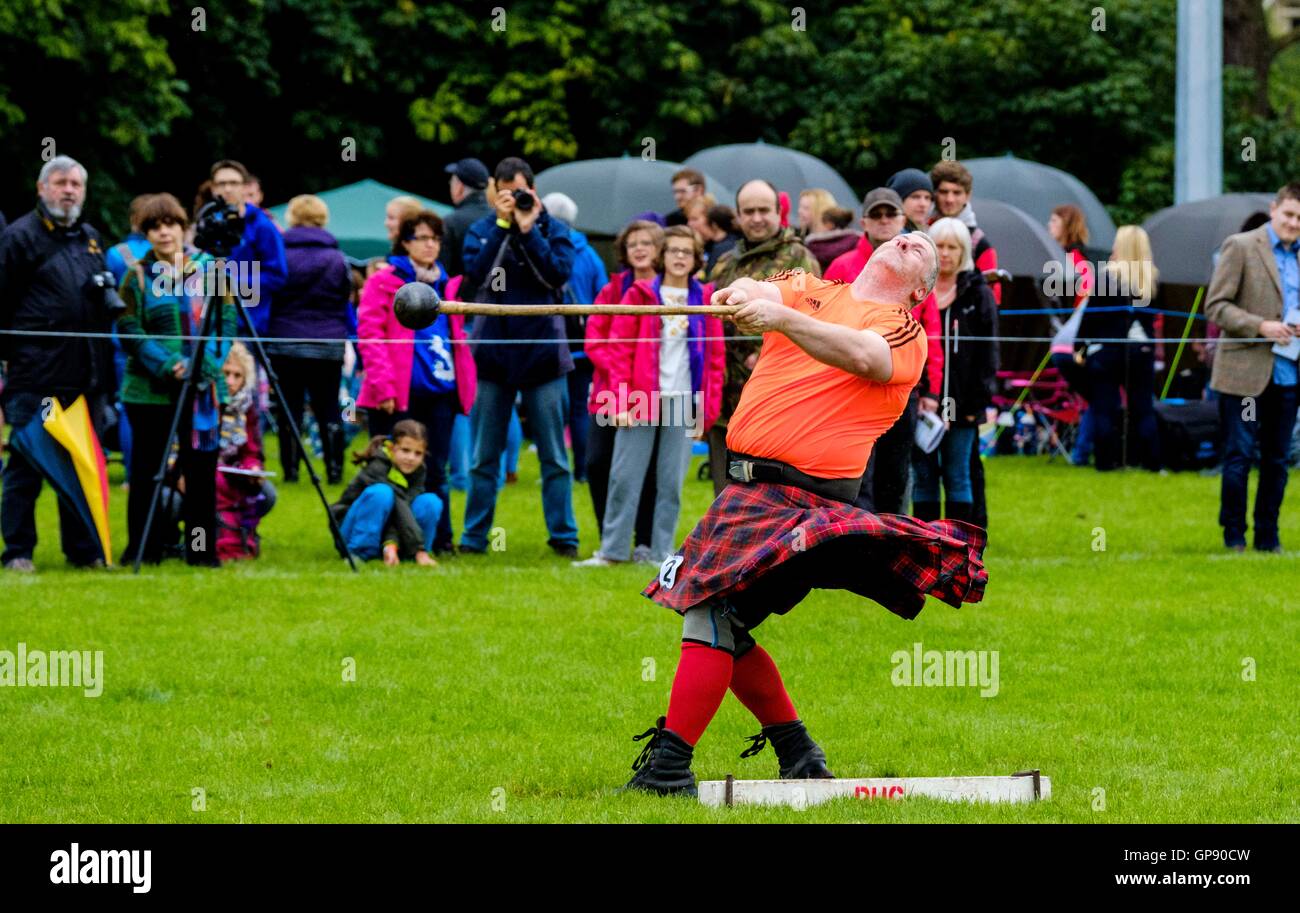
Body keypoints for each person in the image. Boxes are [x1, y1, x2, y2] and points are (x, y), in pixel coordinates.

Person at [622, 232, 987, 795]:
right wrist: (741, 297)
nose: (911, 238)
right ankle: (798, 754)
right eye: (904, 235)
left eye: (923, 248)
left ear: (919, 292)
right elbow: (748, 286)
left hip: (804, 503)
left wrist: (779, 319)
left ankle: (670, 769)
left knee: (712, 616)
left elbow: (863, 354)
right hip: (748, 492)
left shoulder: (904, 332)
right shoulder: (808, 287)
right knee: (726, 627)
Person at [574, 226, 724, 567]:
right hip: (640, 399)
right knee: (624, 476)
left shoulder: (705, 299)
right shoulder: (639, 295)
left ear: (697, 258)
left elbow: (716, 362)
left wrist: (707, 412)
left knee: (670, 482)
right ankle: (611, 550)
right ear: (662, 256)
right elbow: (619, 353)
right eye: (674, 251)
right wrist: (620, 401)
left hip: (684, 402)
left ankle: (660, 553)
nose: (680, 257)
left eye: (688, 251)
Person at [0, 155, 117, 572]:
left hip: (86, 375)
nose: (69, 190)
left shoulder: (90, 238)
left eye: (76, 184)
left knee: (79, 460)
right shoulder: (18, 237)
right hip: (36, 373)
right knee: (27, 465)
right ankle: (18, 551)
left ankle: (83, 550)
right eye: (61, 182)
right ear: (42, 188)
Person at [459, 156, 579, 557]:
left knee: (555, 459)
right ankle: (474, 539)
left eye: (522, 191)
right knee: (482, 458)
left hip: (544, 358)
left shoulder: (554, 230)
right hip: (493, 356)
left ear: (534, 191)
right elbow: (474, 276)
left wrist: (529, 231)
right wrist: (503, 227)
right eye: (506, 192)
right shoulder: (481, 230)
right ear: (494, 191)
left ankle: (564, 539)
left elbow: (557, 275)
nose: (515, 198)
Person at [116, 193, 236, 567]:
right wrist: (168, 364)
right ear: (145, 233)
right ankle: (144, 548)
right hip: (150, 391)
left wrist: (207, 364)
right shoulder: (135, 274)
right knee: (147, 472)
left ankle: (201, 551)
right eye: (154, 226)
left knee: (201, 473)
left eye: (170, 224)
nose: (164, 232)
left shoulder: (213, 269)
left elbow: (226, 324)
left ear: (184, 228)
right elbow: (128, 328)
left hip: (202, 390)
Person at [356, 211, 476, 554]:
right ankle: (382, 540)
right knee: (389, 469)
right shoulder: (384, 281)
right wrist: (382, 387)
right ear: (405, 242)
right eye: (422, 237)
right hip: (396, 393)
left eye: (436, 239)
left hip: (441, 392)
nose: (430, 245)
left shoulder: (448, 284)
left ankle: (440, 540)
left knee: (437, 470)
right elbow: (369, 334)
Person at [829, 188, 942, 515]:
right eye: (876, 215)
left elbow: (931, 331)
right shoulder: (843, 264)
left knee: (895, 472)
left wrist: (932, 388)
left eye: (889, 215)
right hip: (852, 382)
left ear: (902, 219)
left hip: (901, 385)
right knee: (856, 469)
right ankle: (858, 540)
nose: (883, 221)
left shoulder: (919, 267)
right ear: (863, 220)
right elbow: (828, 317)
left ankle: (892, 546)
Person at [707, 179, 821, 496]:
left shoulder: (801, 259)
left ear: (778, 212)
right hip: (725, 401)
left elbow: (816, 322)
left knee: (769, 498)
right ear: (739, 216)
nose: (756, 218)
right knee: (724, 494)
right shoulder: (724, 264)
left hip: (776, 403)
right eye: (749, 211)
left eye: (764, 210)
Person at [1205, 182, 1300, 553]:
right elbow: (1217, 306)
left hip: (1289, 374)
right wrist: (1260, 325)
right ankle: (1234, 537)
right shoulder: (1241, 246)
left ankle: (1267, 536)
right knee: (1240, 455)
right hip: (1244, 372)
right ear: (1274, 209)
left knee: (1277, 459)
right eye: (1289, 214)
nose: (1294, 223)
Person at [910, 219, 999, 523]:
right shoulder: (917, 290)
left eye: (953, 247)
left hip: (964, 401)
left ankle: (958, 549)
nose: (945, 253)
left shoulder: (978, 293)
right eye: (940, 246)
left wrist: (981, 401)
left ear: (964, 252)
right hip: (922, 400)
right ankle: (926, 544)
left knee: (958, 474)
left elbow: (989, 354)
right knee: (923, 476)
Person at [584, 220, 663, 558]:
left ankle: (644, 541)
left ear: (659, 248)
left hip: (655, 393)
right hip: (609, 391)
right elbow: (594, 339)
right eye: (633, 244)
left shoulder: (670, 289)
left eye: (646, 242)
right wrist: (623, 368)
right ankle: (610, 536)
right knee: (598, 463)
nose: (640, 249)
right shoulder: (612, 290)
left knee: (648, 469)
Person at [267, 194, 353, 484]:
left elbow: (271, 294)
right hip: (328, 345)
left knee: (289, 410)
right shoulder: (338, 258)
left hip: (284, 342)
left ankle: (291, 472)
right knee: (328, 407)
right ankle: (334, 470)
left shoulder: (279, 254)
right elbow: (345, 297)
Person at [1075, 226, 1160, 473]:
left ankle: (1106, 463)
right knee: (1143, 408)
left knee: (1105, 408)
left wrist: (1078, 346)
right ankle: (1151, 462)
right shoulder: (1150, 280)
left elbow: (1089, 318)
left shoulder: (1105, 277)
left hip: (1106, 352)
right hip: (1140, 351)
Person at [542, 191, 609, 485]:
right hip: (583, 344)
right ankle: (582, 469)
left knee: (556, 408)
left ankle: (558, 468)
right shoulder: (590, 254)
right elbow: (603, 297)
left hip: (552, 344)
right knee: (580, 409)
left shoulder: (545, 250)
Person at [330, 419, 441, 567]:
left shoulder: (419, 471)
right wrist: (413, 546)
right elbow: (399, 508)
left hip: (394, 527)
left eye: (418, 453)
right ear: (392, 447)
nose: (411, 458)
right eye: (405, 450)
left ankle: (412, 555)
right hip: (350, 532)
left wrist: (392, 543)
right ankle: (359, 553)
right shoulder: (377, 467)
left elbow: (403, 512)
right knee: (381, 493)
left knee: (430, 501)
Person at [206, 160, 288, 336]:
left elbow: (277, 275)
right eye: (221, 183)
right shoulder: (209, 223)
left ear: (244, 187)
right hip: (213, 323)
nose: (227, 189)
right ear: (213, 188)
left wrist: (233, 284)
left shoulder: (262, 226)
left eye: (233, 183)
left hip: (248, 325)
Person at [215, 342, 276, 560]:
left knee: (267, 493)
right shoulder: (202, 400)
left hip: (233, 471)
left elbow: (251, 449)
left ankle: (241, 537)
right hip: (202, 472)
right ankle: (199, 543)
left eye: (237, 376)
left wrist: (253, 468)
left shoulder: (247, 406)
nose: (230, 382)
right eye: (226, 374)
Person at [930, 161, 1001, 305]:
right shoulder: (922, 230)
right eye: (944, 192)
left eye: (957, 193)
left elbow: (993, 296)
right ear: (935, 194)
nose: (949, 199)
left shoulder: (979, 243)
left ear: (967, 196)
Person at [441, 158, 492, 277]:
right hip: (494, 292)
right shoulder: (498, 220)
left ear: (460, 187)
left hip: (456, 294)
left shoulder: (450, 222)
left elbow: (442, 272)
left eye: (452, 182)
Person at [803, 206, 859, 272]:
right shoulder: (856, 242)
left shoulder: (814, 245)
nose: (818, 226)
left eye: (821, 222)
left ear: (829, 225)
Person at [886, 168, 935, 233]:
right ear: (898, 200)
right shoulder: (889, 237)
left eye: (927, 198)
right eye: (915, 197)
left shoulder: (928, 232)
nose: (923, 204)